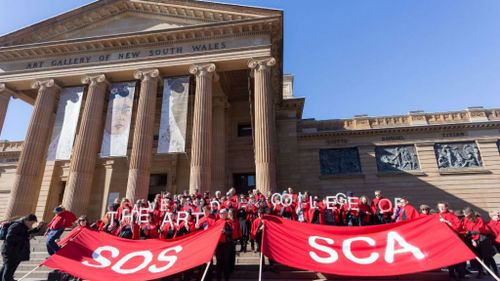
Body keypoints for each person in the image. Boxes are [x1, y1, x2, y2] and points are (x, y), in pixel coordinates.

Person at [1, 214, 43, 281]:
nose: (31, 225)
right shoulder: (16, 225)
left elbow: (25, 233)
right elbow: (10, 237)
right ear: (27, 221)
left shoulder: (22, 226)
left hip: (16, 251)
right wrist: (26, 237)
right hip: (11, 251)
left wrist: (37, 228)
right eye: (31, 223)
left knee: (7, 268)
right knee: (9, 270)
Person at [463, 207, 498, 278]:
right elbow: (465, 229)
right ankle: (481, 273)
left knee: (488, 257)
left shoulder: (478, 219)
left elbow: (480, 229)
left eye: (465, 213)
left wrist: (471, 233)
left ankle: (496, 272)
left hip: (482, 239)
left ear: (469, 213)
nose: (464, 215)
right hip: (473, 240)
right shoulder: (465, 220)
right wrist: (472, 239)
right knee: (478, 258)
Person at [216, 209, 233, 281]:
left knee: (226, 262)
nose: (221, 214)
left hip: (227, 244)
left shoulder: (229, 221)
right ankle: (218, 278)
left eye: (223, 213)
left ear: (226, 214)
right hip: (219, 244)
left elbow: (232, 231)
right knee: (219, 262)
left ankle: (226, 278)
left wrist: (225, 231)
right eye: (220, 213)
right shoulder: (217, 222)